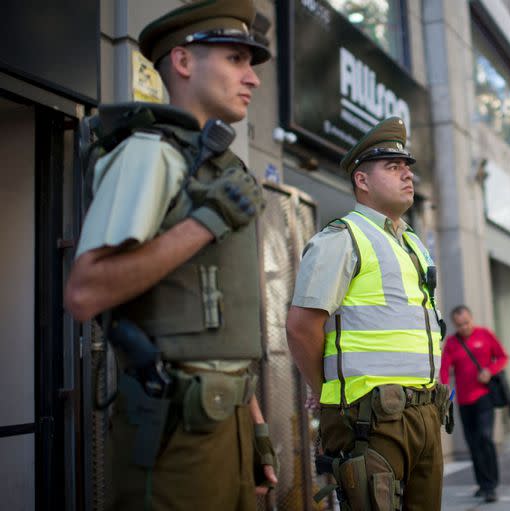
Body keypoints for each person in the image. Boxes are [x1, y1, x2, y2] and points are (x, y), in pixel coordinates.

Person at [63, 1, 278, 509]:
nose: (253, 79)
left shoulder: (215, 167)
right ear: (183, 62)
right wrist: (206, 222)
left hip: (227, 425)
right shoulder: (150, 152)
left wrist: (257, 431)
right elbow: (84, 292)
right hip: (175, 434)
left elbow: (219, 326)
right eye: (235, 59)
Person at [285, 117, 449, 510]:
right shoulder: (342, 239)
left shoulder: (412, 242)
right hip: (371, 420)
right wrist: (328, 395)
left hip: (426, 412)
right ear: (362, 180)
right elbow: (301, 328)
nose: (407, 176)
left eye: (407, 167)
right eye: (393, 168)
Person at [439, 305, 509, 503]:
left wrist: (490, 370)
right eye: (459, 325)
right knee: (473, 443)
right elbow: (445, 369)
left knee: (485, 438)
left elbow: (503, 357)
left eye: (467, 322)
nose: (464, 327)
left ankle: (491, 486)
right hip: (464, 400)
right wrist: (444, 392)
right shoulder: (452, 343)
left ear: (472, 318)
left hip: (484, 397)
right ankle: (481, 483)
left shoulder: (485, 335)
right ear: (454, 324)